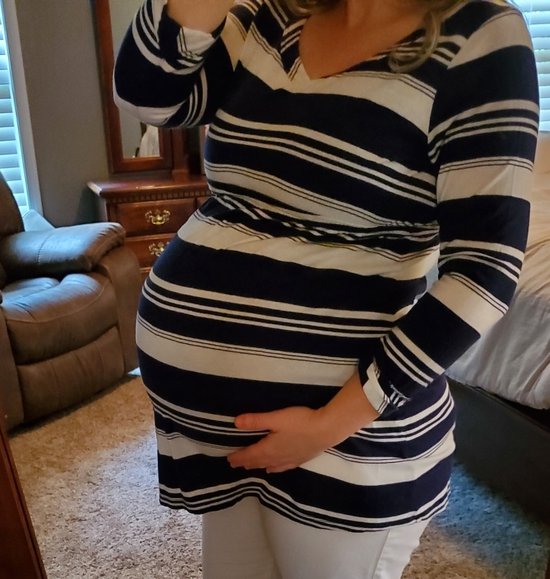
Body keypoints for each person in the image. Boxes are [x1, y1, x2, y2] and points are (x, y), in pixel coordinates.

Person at [114, 0, 539, 577]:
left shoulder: (482, 34)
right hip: (221, 432)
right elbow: (147, 98)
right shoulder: (271, 15)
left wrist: (327, 425)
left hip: (345, 438)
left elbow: (484, 269)